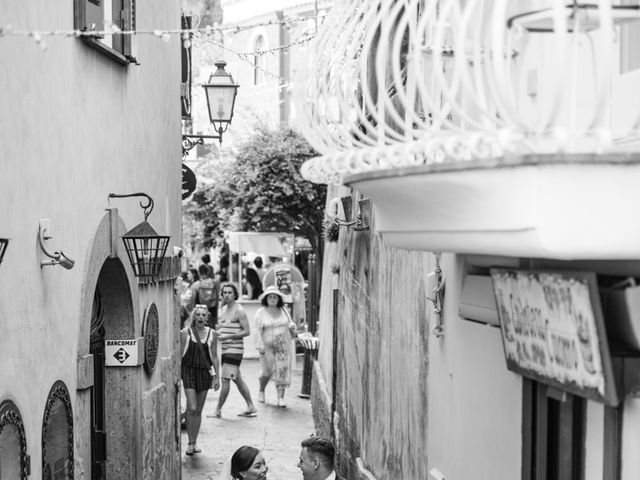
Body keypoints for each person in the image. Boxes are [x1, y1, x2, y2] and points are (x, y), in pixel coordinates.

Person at [213, 283, 258, 418]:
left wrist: (228, 336)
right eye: (225, 292)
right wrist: (217, 332)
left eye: (230, 292)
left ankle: (217, 410)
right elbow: (225, 327)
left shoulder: (239, 310)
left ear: (235, 294)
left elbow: (247, 331)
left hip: (235, 350)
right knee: (237, 378)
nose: (226, 295)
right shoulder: (225, 309)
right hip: (226, 349)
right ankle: (251, 406)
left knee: (225, 379)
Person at [180, 305, 220, 456]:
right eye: (198, 315)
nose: (201, 317)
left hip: (204, 372)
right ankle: (190, 443)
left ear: (207, 317)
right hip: (188, 371)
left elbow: (214, 356)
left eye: (204, 315)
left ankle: (194, 442)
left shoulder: (212, 334)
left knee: (198, 410)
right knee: (191, 407)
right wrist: (177, 375)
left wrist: (217, 377)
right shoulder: (186, 333)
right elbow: (179, 355)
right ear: (194, 317)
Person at [254, 285, 297, 407]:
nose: (272, 299)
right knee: (266, 372)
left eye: (275, 297)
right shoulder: (260, 313)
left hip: (282, 347)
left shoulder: (284, 311)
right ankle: (261, 391)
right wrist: (259, 346)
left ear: (279, 299)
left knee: (282, 371)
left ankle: (280, 398)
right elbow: (257, 331)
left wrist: (292, 327)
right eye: (270, 297)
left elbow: (290, 324)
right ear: (266, 299)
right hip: (266, 348)